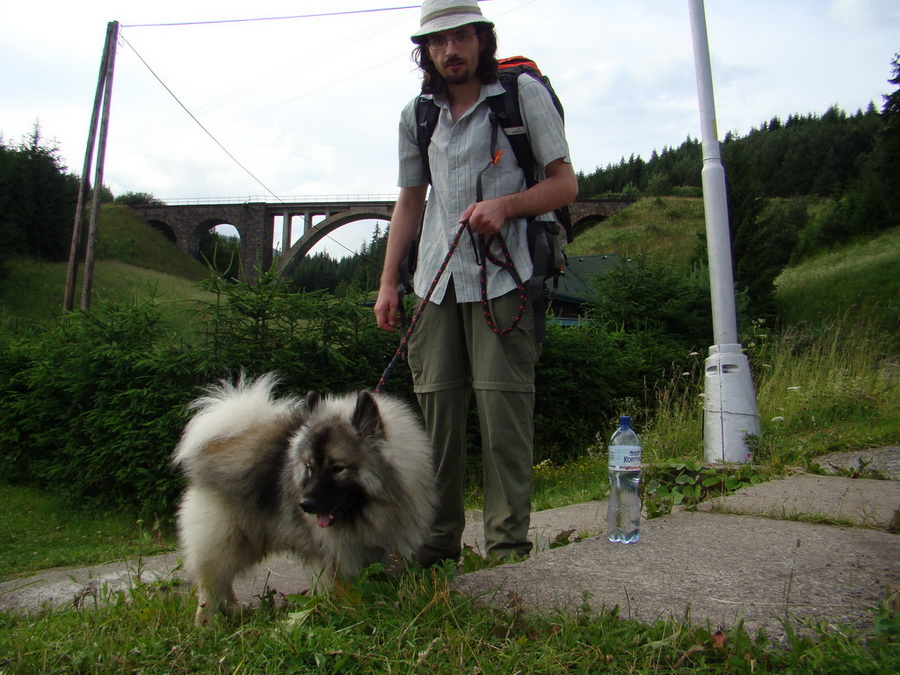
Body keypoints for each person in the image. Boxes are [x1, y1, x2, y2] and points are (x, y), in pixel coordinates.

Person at [374, 0, 577, 565]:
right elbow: (411, 200)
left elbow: (564, 186)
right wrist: (389, 282)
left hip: (506, 280)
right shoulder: (416, 115)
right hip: (435, 284)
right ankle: (438, 546)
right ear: (426, 53)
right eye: (437, 43)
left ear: (482, 41)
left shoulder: (520, 97)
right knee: (436, 420)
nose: (450, 51)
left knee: (504, 420)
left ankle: (508, 551)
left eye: (461, 38)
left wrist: (507, 206)